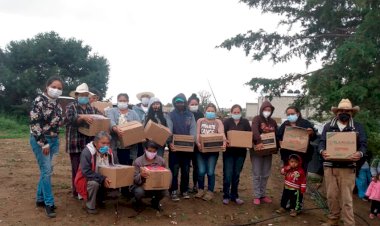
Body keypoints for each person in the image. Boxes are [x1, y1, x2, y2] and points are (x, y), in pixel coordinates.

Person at [319, 99, 367, 226]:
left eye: (347, 111)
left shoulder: (358, 127)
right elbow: (321, 142)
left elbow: (363, 145)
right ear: (337, 112)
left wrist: (359, 153)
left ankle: (349, 223)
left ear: (352, 113)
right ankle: (333, 218)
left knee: (346, 198)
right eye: (341, 110)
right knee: (331, 196)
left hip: (348, 168)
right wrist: (322, 151)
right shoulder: (328, 126)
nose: (344, 112)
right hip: (330, 167)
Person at [30, 76, 64, 218]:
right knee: (47, 171)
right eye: (54, 87)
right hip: (42, 141)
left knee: (47, 170)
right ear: (47, 86)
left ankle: (39, 199)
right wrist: (44, 142)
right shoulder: (39, 101)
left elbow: (59, 122)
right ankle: (49, 204)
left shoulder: (58, 104)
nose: (56, 90)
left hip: (54, 140)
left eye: (60, 88)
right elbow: (34, 123)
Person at [66, 83, 102, 200]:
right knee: (76, 168)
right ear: (77, 95)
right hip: (75, 144)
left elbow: (101, 117)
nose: (84, 97)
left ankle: (86, 189)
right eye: (81, 95)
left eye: (86, 95)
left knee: (88, 168)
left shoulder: (92, 108)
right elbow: (69, 119)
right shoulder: (71, 106)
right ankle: (77, 191)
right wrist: (82, 117)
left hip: (89, 144)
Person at [74, 131, 113, 214]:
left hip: (101, 177)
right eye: (103, 143)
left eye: (108, 143)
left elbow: (114, 166)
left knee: (111, 179)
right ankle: (89, 205)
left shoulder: (110, 152)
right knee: (94, 184)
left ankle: (100, 200)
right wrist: (102, 178)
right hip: (86, 179)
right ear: (95, 142)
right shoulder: (87, 152)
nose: (106, 146)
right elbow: (86, 172)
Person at [167, 93, 196, 201]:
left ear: (185, 103)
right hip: (174, 147)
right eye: (178, 102)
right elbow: (169, 129)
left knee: (186, 169)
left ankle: (184, 190)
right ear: (175, 102)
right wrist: (169, 142)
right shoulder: (170, 115)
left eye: (182, 102)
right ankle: (173, 190)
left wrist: (191, 140)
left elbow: (193, 129)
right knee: (174, 169)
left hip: (187, 148)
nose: (180, 104)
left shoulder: (190, 115)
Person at [195, 103, 227, 201]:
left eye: (212, 111)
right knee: (201, 171)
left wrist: (224, 142)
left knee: (210, 171)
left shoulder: (218, 122)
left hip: (213, 151)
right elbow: (197, 133)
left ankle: (210, 191)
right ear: (205, 112)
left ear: (215, 112)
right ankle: (200, 189)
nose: (210, 113)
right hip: (200, 150)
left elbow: (222, 134)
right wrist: (198, 144)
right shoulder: (200, 120)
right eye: (208, 111)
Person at [222, 104, 251, 205]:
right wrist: (225, 141)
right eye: (234, 112)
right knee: (228, 175)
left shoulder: (245, 122)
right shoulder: (226, 122)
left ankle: (235, 195)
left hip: (241, 153)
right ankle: (226, 195)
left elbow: (249, 135)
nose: (236, 114)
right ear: (231, 112)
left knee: (236, 175)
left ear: (241, 112)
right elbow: (222, 135)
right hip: (228, 153)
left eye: (238, 112)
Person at [250, 100, 278, 205]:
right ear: (262, 110)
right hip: (257, 151)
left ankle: (263, 194)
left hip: (268, 151)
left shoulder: (273, 122)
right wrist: (259, 141)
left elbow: (276, 134)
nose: (267, 111)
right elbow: (254, 131)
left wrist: (277, 146)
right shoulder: (257, 119)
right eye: (265, 109)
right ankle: (257, 195)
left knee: (265, 174)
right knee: (257, 173)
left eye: (269, 110)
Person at [105, 93, 141, 166]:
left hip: (130, 146)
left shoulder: (133, 113)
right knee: (115, 164)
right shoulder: (111, 111)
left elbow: (139, 125)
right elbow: (110, 121)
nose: (122, 102)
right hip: (115, 144)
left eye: (124, 101)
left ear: (128, 101)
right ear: (117, 101)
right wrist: (115, 128)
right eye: (120, 100)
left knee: (127, 165)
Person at [277, 106, 317, 171]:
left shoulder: (305, 123)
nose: (290, 116)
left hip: (302, 156)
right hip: (288, 155)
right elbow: (278, 136)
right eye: (288, 114)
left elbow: (314, 137)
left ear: (298, 114)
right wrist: (280, 142)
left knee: (301, 174)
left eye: (292, 114)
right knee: (289, 175)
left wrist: (311, 133)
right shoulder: (285, 124)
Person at [132, 140, 167, 211]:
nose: (152, 153)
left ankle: (155, 202)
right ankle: (138, 202)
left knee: (164, 191)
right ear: (145, 150)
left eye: (154, 151)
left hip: (156, 185)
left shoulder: (161, 161)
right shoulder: (138, 161)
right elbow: (133, 179)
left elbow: (166, 174)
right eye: (150, 151)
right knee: (139, 192)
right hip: (141, 186)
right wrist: (141, 175)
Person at [187, 93, 204, 193]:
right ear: (188, 104)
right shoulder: (186, 114)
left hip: (197, 145)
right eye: (192, 104)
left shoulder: (201, 114)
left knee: (196, 166)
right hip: (187, 144)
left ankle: (195, 185)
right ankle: (186, 185)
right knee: (186, 166)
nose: (194, 105)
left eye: (195, 104)